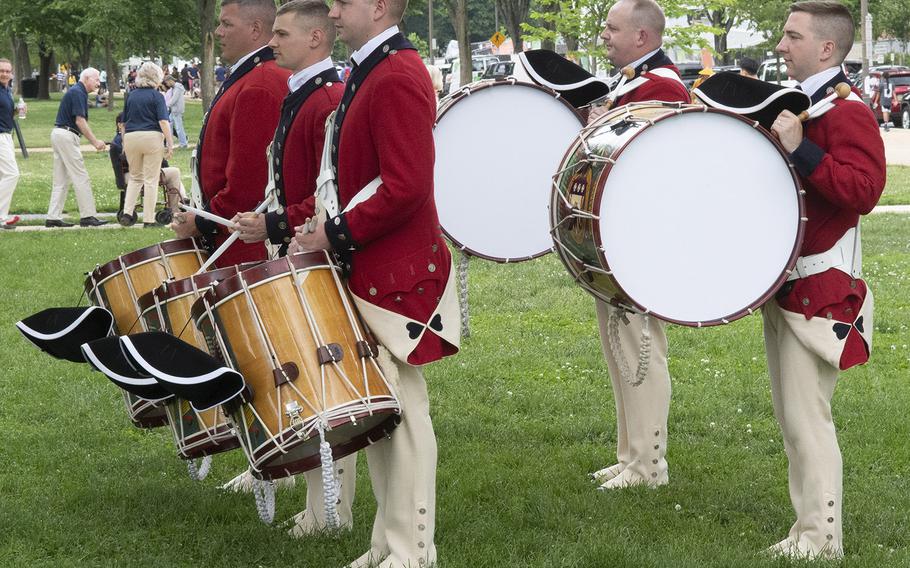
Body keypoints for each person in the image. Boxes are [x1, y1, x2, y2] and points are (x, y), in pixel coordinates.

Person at [293, 0, 461, 564]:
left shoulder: (396, 73)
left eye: (343, 2)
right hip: (374, 266)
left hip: (394, 273)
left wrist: (334, 233)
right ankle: (388, 544)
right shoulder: (375, 68)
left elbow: (407, 185)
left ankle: (412, 550)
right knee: (382, 415)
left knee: (404, 416)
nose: (334, 11)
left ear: (381, 6)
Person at [764, 1, 885, 559]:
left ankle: (821, 538)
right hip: (793, 284)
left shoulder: (848, 111)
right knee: (794, 415)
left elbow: (863, 190)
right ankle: (807, 530)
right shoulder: (806, 105)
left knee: (808, 418)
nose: (781, 45)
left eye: (792, 36)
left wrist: (803, 149)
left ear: (827, 48)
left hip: (821, 286)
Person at [230, 0, 350, 536]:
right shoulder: (302, 91)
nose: (272, 43)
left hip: (316, 254)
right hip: (293, 247)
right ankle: (315, 499)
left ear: (316, 40)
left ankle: (331, 510)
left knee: (328, 383)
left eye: (282, 35)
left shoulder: (326, 98)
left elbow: (325, 194)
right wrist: (266, 218)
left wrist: (275, 224)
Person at [588, 0, 690, 491]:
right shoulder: (633, 82)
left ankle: (649, 465)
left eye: (612, 27)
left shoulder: (661, 87)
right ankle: (631, 454)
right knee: (619, 349)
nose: (604, 34)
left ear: (643, 37)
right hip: (618, 236)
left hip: (640, 238)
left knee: (640, 350)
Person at [170, 0, 291, 267]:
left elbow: (249, 184)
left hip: (245, 248)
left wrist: (201, 221)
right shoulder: (253, 77)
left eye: (227, 24)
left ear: (255, 29)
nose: (218, 31)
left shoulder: (259, 84)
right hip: (233, 237)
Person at [45, 67, 107, 228]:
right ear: (86, 78)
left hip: (59, 133)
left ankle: (53, 217)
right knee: (81, 176)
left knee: (61, 179)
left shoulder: (77, 92)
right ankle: (88, 216)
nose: (98, 82)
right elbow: (80, 121)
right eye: (96, 79)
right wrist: (95, 142)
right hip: (66, 135)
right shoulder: (79, 92)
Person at [119, 62, 174, 228]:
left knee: (135, 177)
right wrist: (170, 142)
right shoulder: (157, 96)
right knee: (150, 179)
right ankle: (149, 220)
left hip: (131, 138)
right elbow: (163, 121)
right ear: (157, 77)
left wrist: (123, 142)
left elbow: (123, 123)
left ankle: (128, 213)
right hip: (151, 137)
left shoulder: (131, 95)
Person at [110, 112, 186, 217]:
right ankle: (175, 208)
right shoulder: (124, 141)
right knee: (174, 172)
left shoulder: (121, 140)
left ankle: (180, 202)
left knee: (171, 171)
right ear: (120, 125)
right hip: (135, 175)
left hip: (132, 175)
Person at [0, 58, 21, 230]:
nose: (4, 74)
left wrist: (16, 111)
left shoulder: (7, 90)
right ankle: (1, 216)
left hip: (7, 135)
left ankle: (3, 216)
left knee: (3, 176)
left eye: (7, 71)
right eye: (1, 70)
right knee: (12, 174)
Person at [163, 76, 188, 148]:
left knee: (179, 128)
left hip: (177, 110)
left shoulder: (178, 88)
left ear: (170, 80)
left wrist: (165, 105)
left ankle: (183, 144)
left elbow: (174, 100)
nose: (167, 85)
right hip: (173, 111)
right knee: (169, 126)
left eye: (167, 83)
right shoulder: (174, 88)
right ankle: (169, 144)